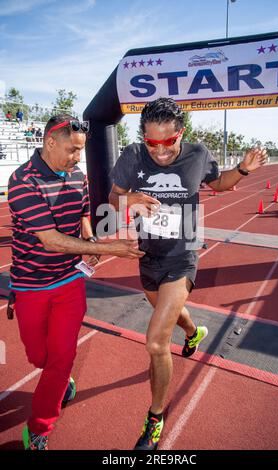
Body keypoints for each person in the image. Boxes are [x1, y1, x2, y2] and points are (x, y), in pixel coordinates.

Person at [109, 97, 267, 450]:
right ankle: (194, 334)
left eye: (169, 141)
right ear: (143, 137)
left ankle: (154, 417)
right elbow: (111, 198)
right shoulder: (132, 157)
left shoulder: (197, 154)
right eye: (153, 142)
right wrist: (128, 200)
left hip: (183, 256)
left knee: (154, 341)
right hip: (147, 255)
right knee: (171, 315)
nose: (161, 151)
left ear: (182, 133)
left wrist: (243, 169)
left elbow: (219, 184)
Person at [8, 114, 144, 450]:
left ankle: (39, 427)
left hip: (69, 281)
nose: (77, 159)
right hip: (30, 285)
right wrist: (105, 247)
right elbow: (50, 240)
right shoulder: (22, 181)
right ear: (50, 142)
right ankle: (59, 376)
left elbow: (82, 215)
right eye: (71, 150)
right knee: (39, 356)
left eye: (80, 151)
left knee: (61, 356)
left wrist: (89, 240)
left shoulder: (78, 175)